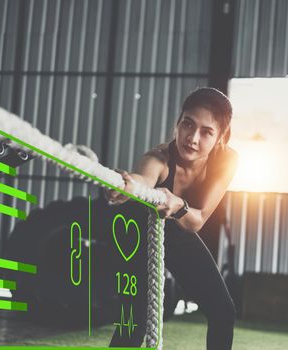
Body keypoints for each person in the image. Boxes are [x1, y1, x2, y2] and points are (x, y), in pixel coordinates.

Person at [106, 87, 238, 349]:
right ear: (178, 123)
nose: (192, 137)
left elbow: (197, 220)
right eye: (187, 124)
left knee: (223, 311)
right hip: (138, 229)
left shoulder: (227, 160)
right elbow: (143, 179)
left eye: (206, 132)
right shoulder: (159, 157)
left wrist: (176, 204)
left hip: (181, 229)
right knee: (136, 319)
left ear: (220, 138)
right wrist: (127, 185)